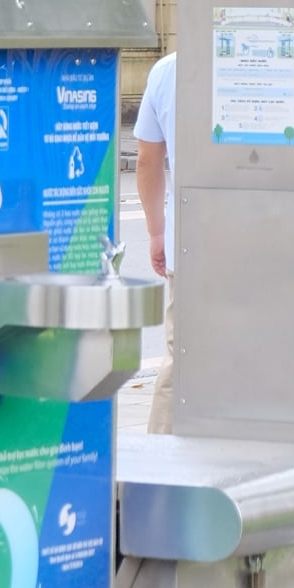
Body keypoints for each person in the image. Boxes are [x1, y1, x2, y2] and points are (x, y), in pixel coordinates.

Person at [133, 47, 176, 433]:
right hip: (267, 235)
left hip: (190, 241)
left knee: (184, 356)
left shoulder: (167, 70)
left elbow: (148, 159)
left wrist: (157, 232)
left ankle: (161, 453)